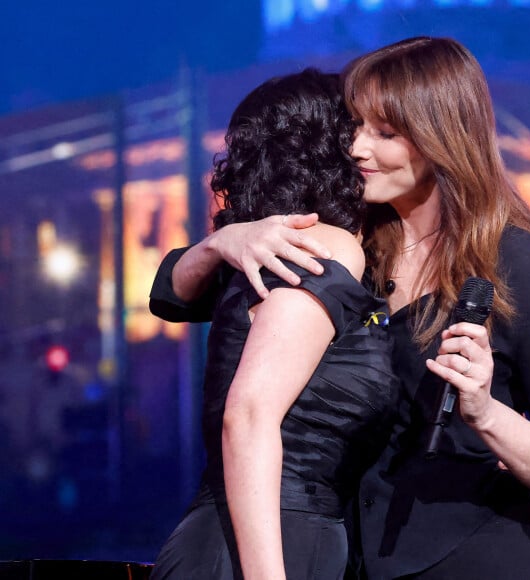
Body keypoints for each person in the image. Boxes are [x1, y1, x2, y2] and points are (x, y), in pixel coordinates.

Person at [149, 37, 530, 580]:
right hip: (349, 559)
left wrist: (486, 413)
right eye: (355, 127)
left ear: (439, 138)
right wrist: (223, 242)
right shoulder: (351, 248)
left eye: (385, 133)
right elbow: (170, 295)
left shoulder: (511, 261)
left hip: (473, 558)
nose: (356, 148)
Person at [149, 68, 401, 580]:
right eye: (357, 129)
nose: (365, 145)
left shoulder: (271, 256)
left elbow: (171, 293)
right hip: (270, 546)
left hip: (254, 538)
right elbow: (247, 416)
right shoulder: (321, 246)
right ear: (329, 145)